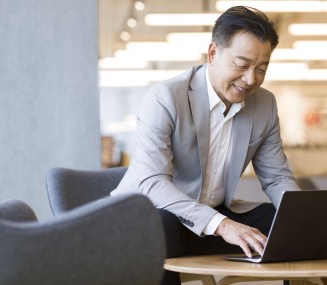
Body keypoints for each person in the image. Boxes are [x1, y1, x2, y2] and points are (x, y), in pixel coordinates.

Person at [111, 5, 300, 285]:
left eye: (261, 68)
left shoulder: (264, 104)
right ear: (213, 53)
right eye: (241, 64)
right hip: (150, 219)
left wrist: (302, 217)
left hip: (210, 220)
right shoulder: (165, 98)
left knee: (288, 226)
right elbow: (152, 182)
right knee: (158, 228)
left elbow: (276, 177)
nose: (251, 79)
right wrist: (222, 225)